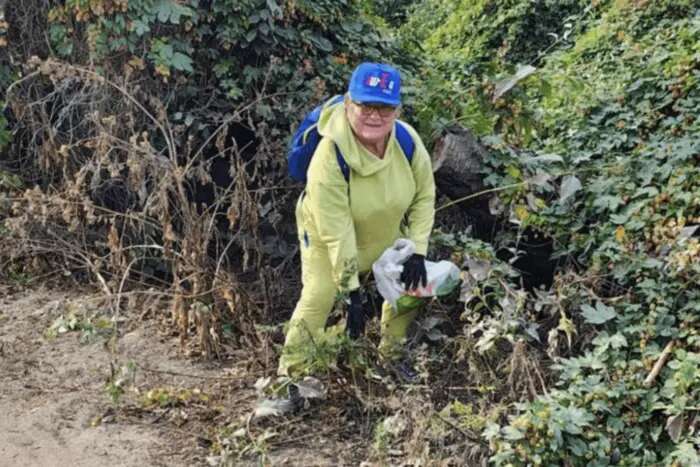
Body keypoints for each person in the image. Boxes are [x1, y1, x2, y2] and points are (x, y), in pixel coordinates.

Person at [278, 62, 436, 377]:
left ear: (398, 111)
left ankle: (391, 357)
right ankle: (289, 378)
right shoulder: (329, 157)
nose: (374, 116)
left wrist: (417, 249)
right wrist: (351, 291)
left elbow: (424, 196)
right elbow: (337, 232)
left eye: (384, 108)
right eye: (365, 105)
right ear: (349, 104)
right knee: (318, 298)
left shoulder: (407, 142)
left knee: (414, 287)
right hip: (327, 238)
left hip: (386, 229)